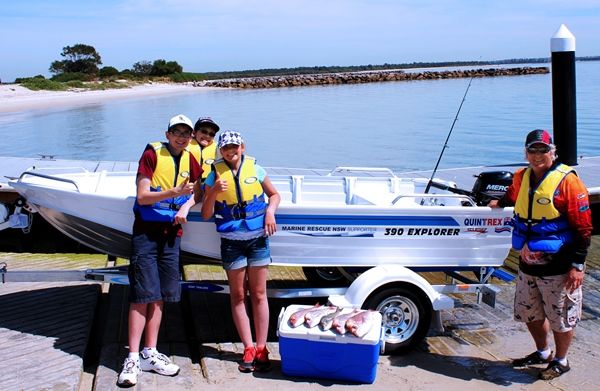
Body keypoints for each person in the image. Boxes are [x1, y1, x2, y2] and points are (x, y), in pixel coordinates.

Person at [489, 129, 592, 380]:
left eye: (542, 150)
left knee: (561, 317)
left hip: (559, 265)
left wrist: (577, 265)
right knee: (529, 312)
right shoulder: (521, 177)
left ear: (552, 151)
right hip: (528, 262)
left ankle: (561, 360)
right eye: (532, 150)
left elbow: (584, 227)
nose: (537, 155)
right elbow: (513, 196)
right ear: (526, 153)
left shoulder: (568, 181)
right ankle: (543, 352)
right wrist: (498, 204)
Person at [117, 114, 202, 386]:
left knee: (160, 295)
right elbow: (142, 195)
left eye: (186, 133)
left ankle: (149, 352)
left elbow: (197, 191)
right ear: (167, 134)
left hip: (172, 234)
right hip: (146, 231)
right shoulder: (152, 154)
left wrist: (187, 205)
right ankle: (131, 357)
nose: (181, 137)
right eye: (176, 132)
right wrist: (172, 192)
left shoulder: (190, 158)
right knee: (142, 293)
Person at [201, 130, 280, 372]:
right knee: (237, 296)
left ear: (242, 147)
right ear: (220, 151)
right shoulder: (214, 174)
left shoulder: (255, 168)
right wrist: (213, 190)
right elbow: (205, 213)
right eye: (226, 148)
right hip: (231, 242)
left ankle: (261, 346)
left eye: (235, 147)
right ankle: (247, 346)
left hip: (258, 239)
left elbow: (275, 195)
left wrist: (269, 211)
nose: (231, 151)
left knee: (258, 294)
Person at [188, 117, 221, 183]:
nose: (207, 136)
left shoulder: (218, 149)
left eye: (211, 134)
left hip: (208, 185)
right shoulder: (185, 145)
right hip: (188, 185)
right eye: (204, 132)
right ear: (194, 132)